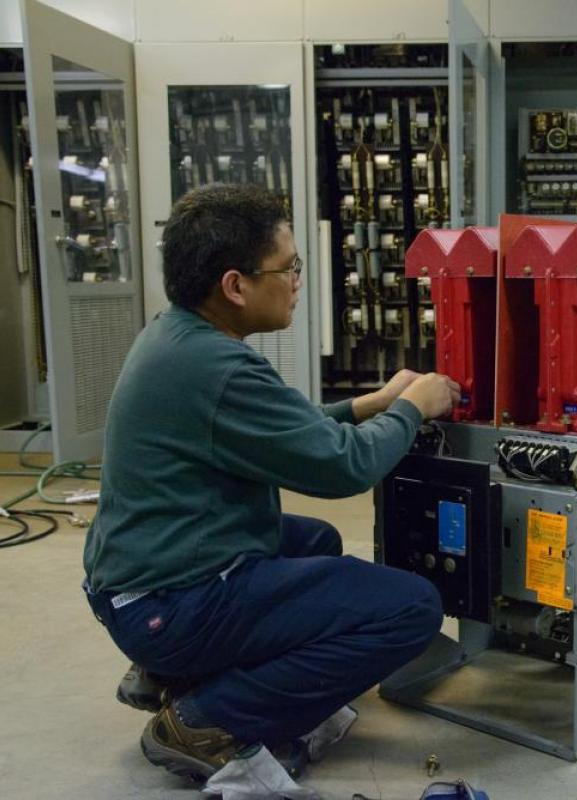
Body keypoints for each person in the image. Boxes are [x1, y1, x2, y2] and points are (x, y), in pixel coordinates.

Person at [82, 183, 457, 783]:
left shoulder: (178, 336)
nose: (297, 280)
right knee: (411, 608)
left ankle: (179, 676)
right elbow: (343, 468)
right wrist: (413, 409)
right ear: (235, 285)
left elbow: (285, 430)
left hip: (137, 581)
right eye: (290, 267)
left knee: (313, 542)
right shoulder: (218, 365)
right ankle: (207, 719)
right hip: (167, 604)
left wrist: (374, 403)